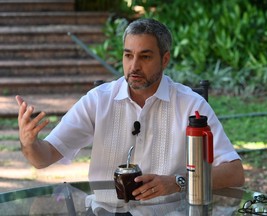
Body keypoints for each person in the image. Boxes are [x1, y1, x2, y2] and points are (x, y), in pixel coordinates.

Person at [16, 18, 244, 201]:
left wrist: (177, 182)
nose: (134, 66)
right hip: (105, 211)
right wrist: (29, 143)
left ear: (165, 60)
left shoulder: (190, 104)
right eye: (128, 55)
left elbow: (234, 173)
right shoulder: (98, 100)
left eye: (145, 56)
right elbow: (43, 158)